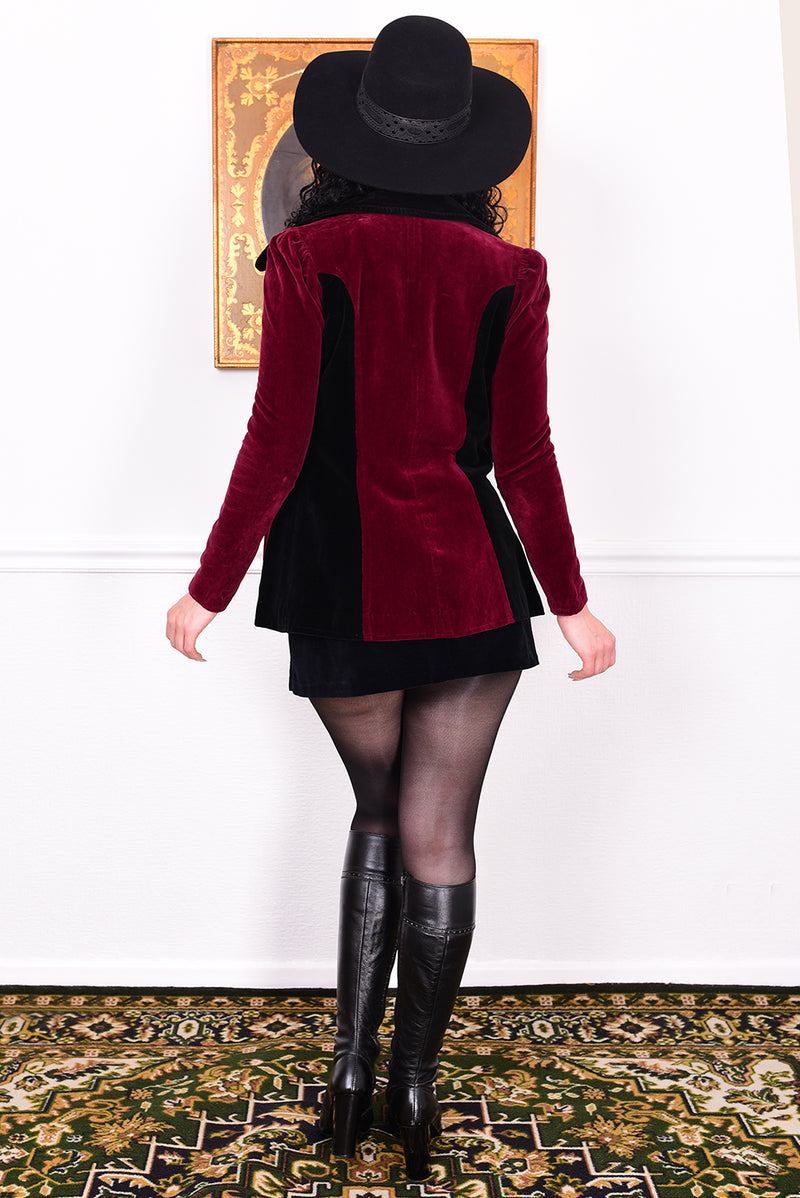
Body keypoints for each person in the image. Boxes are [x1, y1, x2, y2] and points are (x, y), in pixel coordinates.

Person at [166, 14, 615, 1181]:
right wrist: (569, 603)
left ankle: (351, 1072)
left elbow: (277, 438)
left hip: (343, 583)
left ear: (350, 142)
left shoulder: (310, 260)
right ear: (465, 154)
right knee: (440, 832)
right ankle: (415, 1086)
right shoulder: (511, 273)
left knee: (376, 815)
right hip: (470, 582)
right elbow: (525, 453)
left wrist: (208, 589)